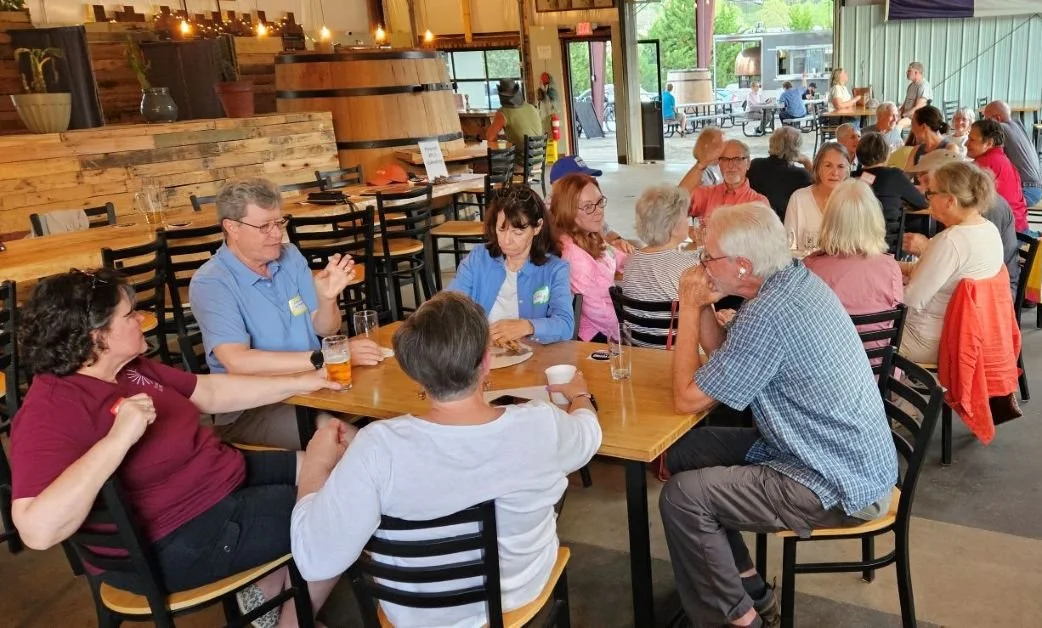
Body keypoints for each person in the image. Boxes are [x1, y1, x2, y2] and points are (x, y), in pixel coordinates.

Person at [9, 268, 341, 627]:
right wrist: (117, 440)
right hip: (179, 538)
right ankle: (291, 621)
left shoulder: (127, 368)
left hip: (218, 478)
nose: (142, 320)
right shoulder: (51, 409)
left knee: (336, 467)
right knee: (347, 504)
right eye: (130, 315)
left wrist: (307, 381)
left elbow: (208, 392)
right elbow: (36, 530)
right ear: (97, 337)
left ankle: (268, 587)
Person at [291, 291, 601, 628]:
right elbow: (589, 436)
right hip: (518, 595)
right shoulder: (540, 424)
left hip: (416, 616)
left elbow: (314, 561)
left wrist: (317, 464)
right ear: (486, 361)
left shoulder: (377, 448)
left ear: (415, 373)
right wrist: (579, 396)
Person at [662, 202, 898, 628]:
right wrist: (704, 306)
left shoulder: (769, 314)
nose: (702, 264)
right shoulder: (791, 281)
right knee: (686, 451)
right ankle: (748, 588)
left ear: (742, 265)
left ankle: (738, 620)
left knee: (683, 497)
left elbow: (686, 398)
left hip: (838, 479)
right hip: (830, 451)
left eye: (708, 256)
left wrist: (689, 304)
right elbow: (728, 357)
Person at [189, 177, 374, 449]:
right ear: (232, 227)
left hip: (314, 385)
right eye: (264, 226)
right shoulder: (212, 282)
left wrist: (327, 300)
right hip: (254, 406)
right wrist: (321, 359)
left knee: (388, 407)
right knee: (355, 442)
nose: (277, 234)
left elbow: (325, 329)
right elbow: (238, 362)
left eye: (279, 223)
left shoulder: (289, 256)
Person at [898, 161, 1005, 364]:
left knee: (860, 332)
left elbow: (911, 299)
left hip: (928, 339)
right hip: (970, 336)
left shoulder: (951, 241)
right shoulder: (988, 229)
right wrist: (887, 266)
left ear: (949, 200)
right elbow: (935, 274)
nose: (927, 198)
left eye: (931, 193)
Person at [447, 185, 574, 348]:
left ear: (537, 227)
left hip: (533, 355)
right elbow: (450, 305)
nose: (506, 240)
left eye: (517, 232)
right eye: (501, 229)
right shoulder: (479, 258)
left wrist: (528, 326)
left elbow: (565, 325)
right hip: (481, 352)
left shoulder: (555, 269)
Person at [904, 150, 1020, 296]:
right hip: (972, 291)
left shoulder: (981, 212)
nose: (924, 191)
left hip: (992, 296)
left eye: (928, 182)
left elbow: (972, 265)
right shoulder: (965, 211)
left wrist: (927, 249)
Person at [803, 180, 904, 325]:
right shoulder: (890, 267)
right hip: (880, 340)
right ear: (875, 219)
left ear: (830, 221)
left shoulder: (811, 270)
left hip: (831, 340)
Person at [550, 172, 629, 342]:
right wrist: (627, 333)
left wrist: (643, 259)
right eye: (588, 207)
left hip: (609, 320)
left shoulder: (588, 234)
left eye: (600, 202)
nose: (598, 211)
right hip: (597, 335)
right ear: (568, 211)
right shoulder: (575, 257)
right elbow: (600, 313)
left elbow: (614, 256)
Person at [619, 186, 699, 347]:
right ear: (675, 227)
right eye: (686, 216)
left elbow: (663, 262)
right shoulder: (687, 267)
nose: (689, 222)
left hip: (636, 348)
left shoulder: (631, 260)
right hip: (673, 352)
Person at [549, 155, 635, 253]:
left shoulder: (591, 206)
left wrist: (617, 240)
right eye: (581, 180)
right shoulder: (550, 222)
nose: (589, 182)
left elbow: (605, 230)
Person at [856, 132, 925, 250]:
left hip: (856, 244)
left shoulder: (851, 178)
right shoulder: (894, 175)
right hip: (887, 245)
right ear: (886, 153)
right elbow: (921, 203)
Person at [680, 138, 771, 224]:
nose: (730, 165)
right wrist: (701, 164)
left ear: (748, 164)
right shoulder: (707, 194)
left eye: (737, 159)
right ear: (719, 164)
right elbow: (676, 203)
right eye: (725, 159)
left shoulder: (758, 203)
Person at [966, 119, 1030, 232]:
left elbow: (963, 198)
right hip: (1019, 226)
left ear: (989, 143)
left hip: (1007, 231)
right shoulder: (1001, 158)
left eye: (972, 139)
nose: (966, 143)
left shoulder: (985, 163)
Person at [786, 142, 852, 250]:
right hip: (804, 261)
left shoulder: (854, 201)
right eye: (828, 165)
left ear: (847, 171)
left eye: (840, 166)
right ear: (818, 168)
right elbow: (789, 246)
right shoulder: (799, 198)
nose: (835, 173)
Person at [983, 100, 1042, 207]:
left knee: (983, 204)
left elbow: (984, 152)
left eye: (986, 120)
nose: (984, 123)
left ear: (997, 119)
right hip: (1036, 187)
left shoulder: (1000, 129)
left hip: (1026, 190)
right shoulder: (1017, 125)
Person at [747, 126, 814, 221]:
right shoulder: (801, 175)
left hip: (756, 219)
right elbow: (819, 189)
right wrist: (807, 162)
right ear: (797, 148)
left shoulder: (755, 164)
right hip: (786, 223)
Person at [886, 105, 962, 172]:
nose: (912, 130)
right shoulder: (916, 150)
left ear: (923, 127)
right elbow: (906, 177)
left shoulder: (950, 149)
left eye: (913, 125)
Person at [485, 79, 544, 149]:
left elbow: (490, 137)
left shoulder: (503, 112)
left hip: (520, 155)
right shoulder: (532, 107)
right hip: (540, 154)